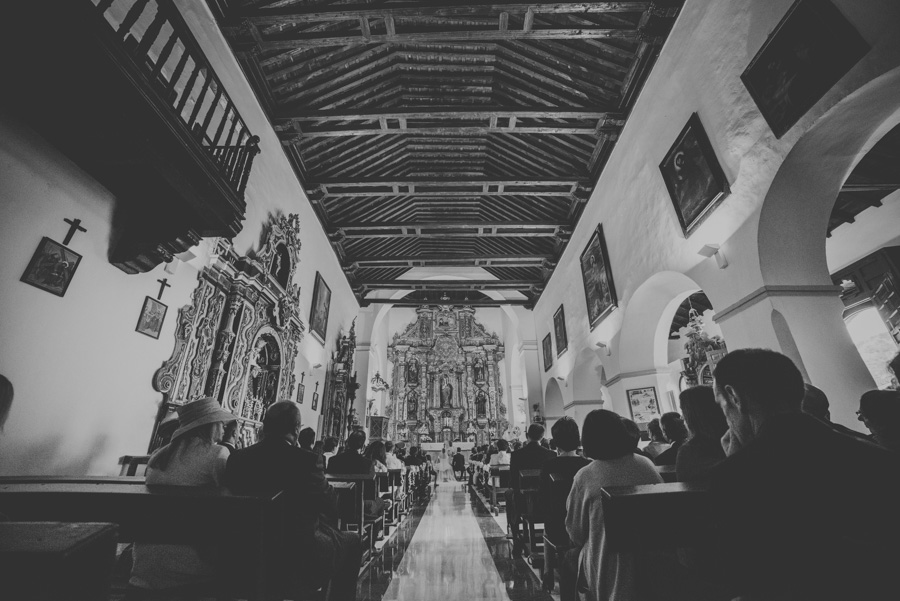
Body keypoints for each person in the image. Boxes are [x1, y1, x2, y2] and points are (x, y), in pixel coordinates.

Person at [708, 349, 900, 600]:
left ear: (734, 397)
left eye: (722, 407)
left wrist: (737, 461)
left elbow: (748, 579)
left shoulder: (735, 475)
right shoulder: (877, 455)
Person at [225, 402, 361, 601]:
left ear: (265, 426)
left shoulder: (237, 458)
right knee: (353, 541)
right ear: (296, 429)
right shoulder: (307, 460)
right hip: (299, 555)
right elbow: (330, 503)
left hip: (245, 553)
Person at [129, 397, 237, 595]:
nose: (223, 428)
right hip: (190, 562)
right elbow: (229, 503)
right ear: (211, 425)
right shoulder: (217, 454)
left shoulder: (159, 455)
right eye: (220, 423)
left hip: (145, 560)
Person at [565, 410, 662, 601]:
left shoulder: (586, 475)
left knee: (569, 558)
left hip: (607, 565)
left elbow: (575, 532)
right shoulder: (646, 464)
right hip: (652, 560)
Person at [540, 417, 590, 601]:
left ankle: (548, 571)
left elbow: (543, 501)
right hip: (588, 528)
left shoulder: (549, 465)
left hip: (559, 527)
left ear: (555, 441)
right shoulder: (587, 465)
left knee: (548, 524)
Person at [507, 423, 555, 555]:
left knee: (510, 496)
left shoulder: (517, 455)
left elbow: (513, 481)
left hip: (522, 502)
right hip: (547, 502)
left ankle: (516, 536)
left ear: (527, 435)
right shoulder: (551, 454)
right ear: (542, 436)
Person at [329, 430, 390, 520]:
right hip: (360, 503)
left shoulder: (333, 460)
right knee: (380, 502)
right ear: (363, 446)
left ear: (348, 443)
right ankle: (374, 531)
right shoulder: (367, 463)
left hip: (337, 501)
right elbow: (371, 490)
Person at [675, 386, 727, 482]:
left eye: (683, 411)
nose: (681, 418)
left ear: (691, 415)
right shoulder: (732, 437)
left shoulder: (688, 451)